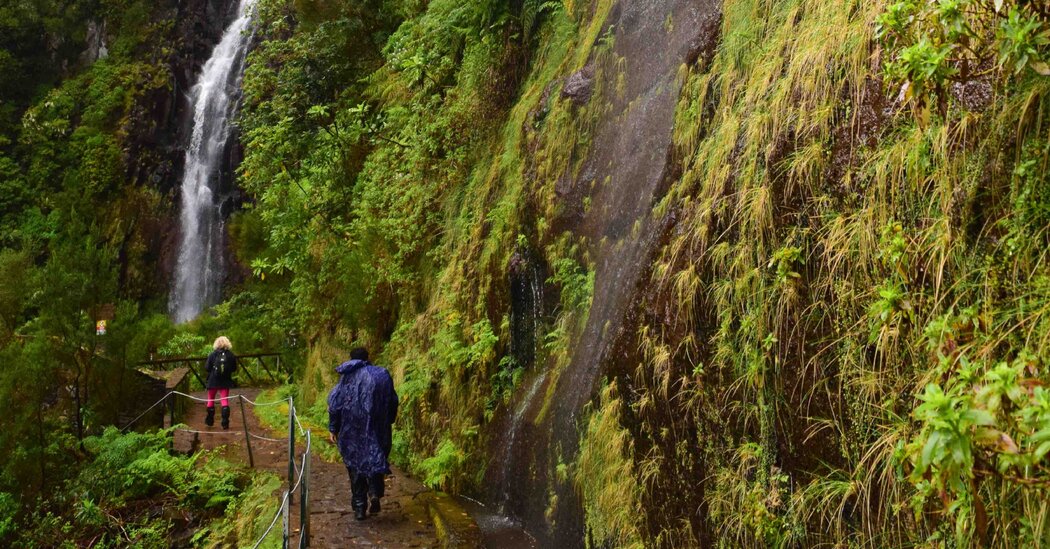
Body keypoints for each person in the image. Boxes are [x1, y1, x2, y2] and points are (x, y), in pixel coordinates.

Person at [327, 347, 398, 521]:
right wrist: (388, 420)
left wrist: (333, 428)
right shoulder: (381, 374)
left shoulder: (346, 377)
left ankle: (359, 507)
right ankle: (374, 491)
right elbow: (393, 401)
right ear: (368, 358)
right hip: (378, 428)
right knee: (376, 457)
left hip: (351, 431)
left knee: (355, 466)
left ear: (351, 359)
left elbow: (335, 405)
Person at [204, 336, 237, 429]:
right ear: (227, 343)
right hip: (225, 381)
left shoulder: (212, 354)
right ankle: (225, 423)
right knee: (224, 400)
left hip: (213, 381)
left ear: (216, 344)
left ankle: (210, 421)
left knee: (210, 399)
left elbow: (207, 368)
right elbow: (234, 369)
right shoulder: (231, 355)